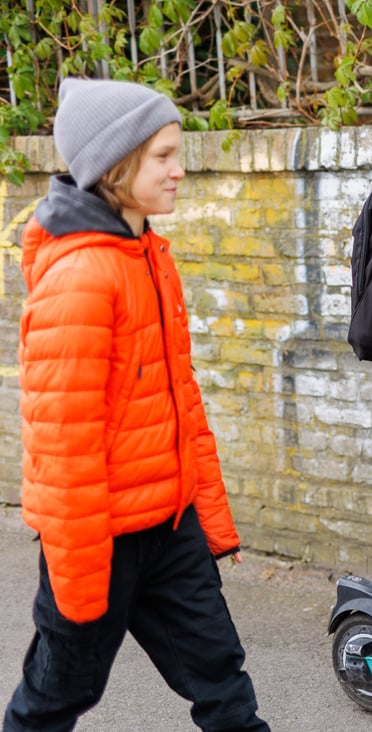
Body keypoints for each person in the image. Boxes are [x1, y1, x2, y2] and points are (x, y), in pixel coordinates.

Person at [3, 78, 269, 732]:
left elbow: (181, 403)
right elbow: (64, 448)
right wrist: (80, 580)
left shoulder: (148, 255)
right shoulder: (81, 277)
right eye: (163, 157)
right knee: (54, 699)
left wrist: (209, 519)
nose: (179, 171)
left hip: (170, 529)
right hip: (102, 541)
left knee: (225, 687)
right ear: (115, 166)